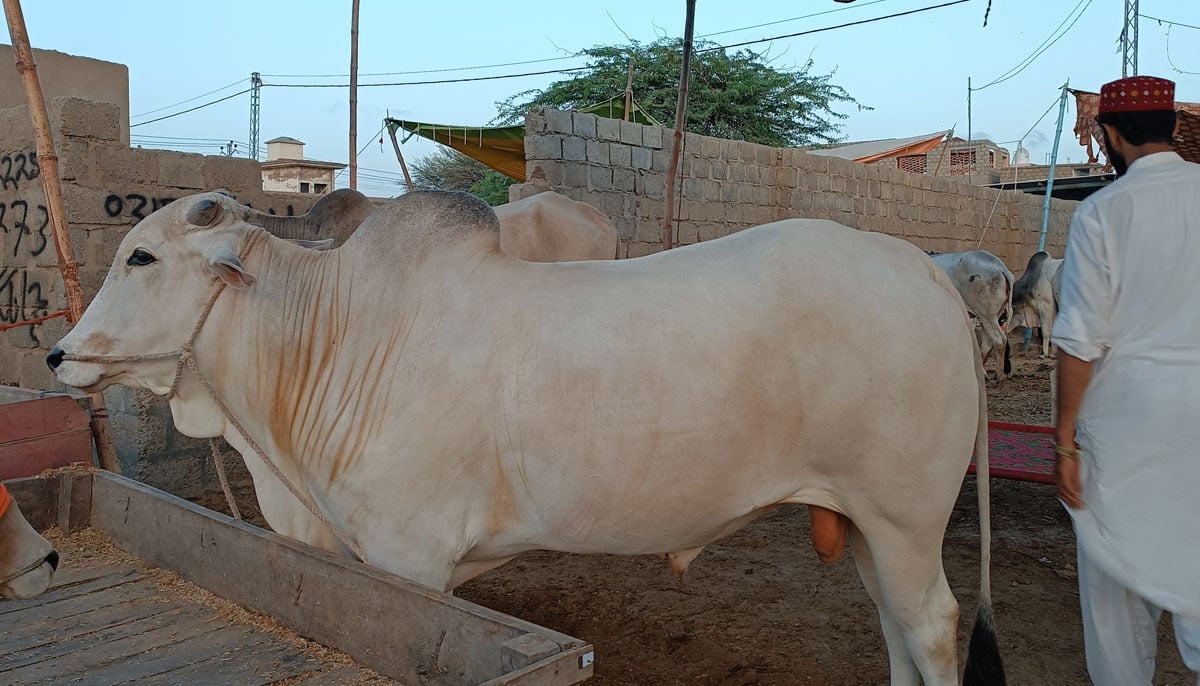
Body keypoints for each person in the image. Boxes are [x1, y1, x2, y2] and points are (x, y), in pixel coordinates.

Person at [1053, 75, 1200, 685]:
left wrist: (1064, 441)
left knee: (1114, 599)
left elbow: (1081, 339)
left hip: (1127, 421)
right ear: (1169, 128)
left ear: (1110, 136)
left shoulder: (1103, 212)